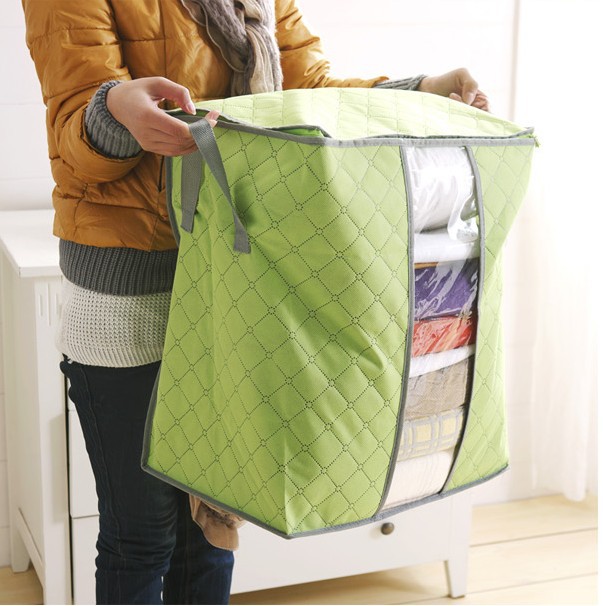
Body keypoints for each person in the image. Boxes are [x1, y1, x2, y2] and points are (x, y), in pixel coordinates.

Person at [22, 0, 489, 603]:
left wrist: (421, 90)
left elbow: (308, 93)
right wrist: (116, 111)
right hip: (130, 288)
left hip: (236, 272)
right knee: (141, 535)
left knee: (213, 523)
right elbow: (73, 134)